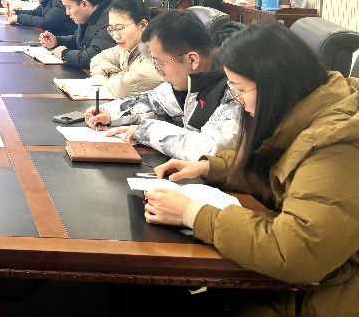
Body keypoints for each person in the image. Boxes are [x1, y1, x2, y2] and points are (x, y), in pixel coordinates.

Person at [145, 21, 359, 315]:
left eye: (241, 89)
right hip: (307, 284)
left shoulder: (336, 147)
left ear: (276, 85)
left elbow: (295, 253)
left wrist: (193, 214)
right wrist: (210, 168)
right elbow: (279, 177)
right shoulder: (308, 113)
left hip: (325, 296)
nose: (239, 101)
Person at [84, 9, 242, 160]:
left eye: (160, 64)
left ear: (192, 60)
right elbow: (154, 101)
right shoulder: (190, 79)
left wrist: (146, 131)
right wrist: (109, 113)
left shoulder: (236, 89)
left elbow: (210, 150)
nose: (159, 73)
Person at [88, 0, 163, 97]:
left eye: (120, 28)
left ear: (142, 25)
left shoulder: (157, 53)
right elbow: (96, 61)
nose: (115, 36)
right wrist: (117, 75)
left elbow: (122, 88)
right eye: (111, 29)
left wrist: (111, 77)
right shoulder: (127, 47)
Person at [38, 0, 116, 68]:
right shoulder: (88, 16)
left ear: (84, 4)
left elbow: (93, 57)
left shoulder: (109, 20)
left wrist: (64, 53)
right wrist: (56, 41)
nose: (67, 13)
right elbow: (77, 40)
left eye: (69, 8)